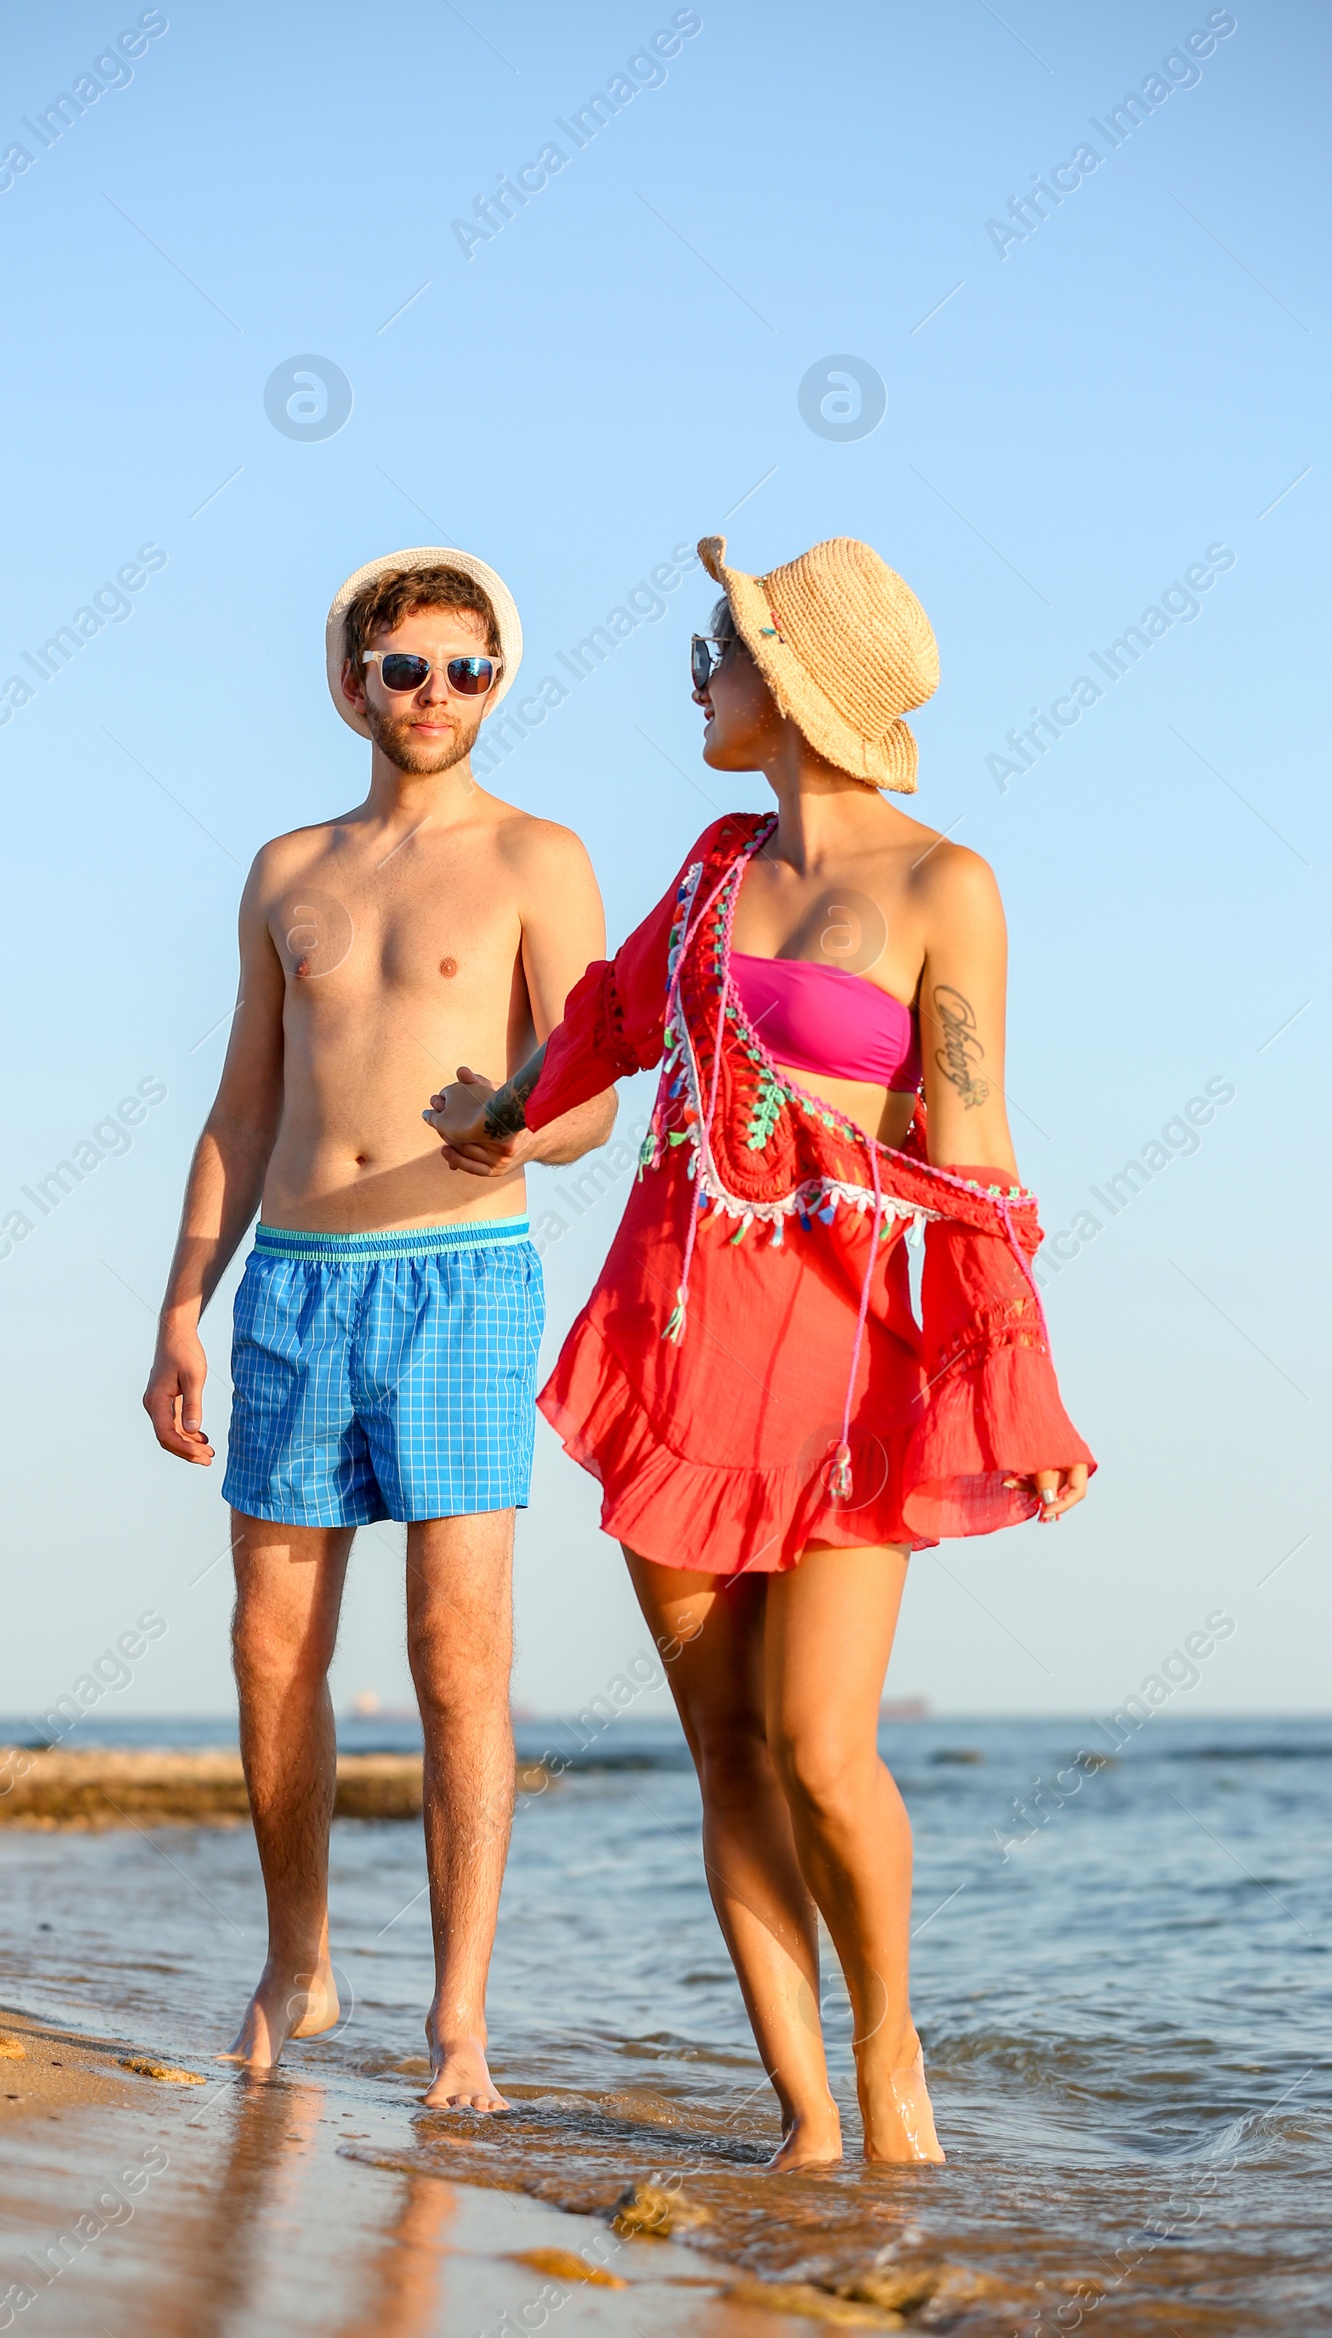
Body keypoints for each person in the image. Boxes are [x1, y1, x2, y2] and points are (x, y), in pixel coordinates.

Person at [424, 534, 1095, 2164]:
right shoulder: (720, 868)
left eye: (718, 648)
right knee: (727, 1751)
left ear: (790, 685)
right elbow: (603, 1015)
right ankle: (804, 2122)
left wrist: (1027, 1372)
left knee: (821, 1744)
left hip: (861, 1364)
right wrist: (503, 1119)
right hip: (687, 1342)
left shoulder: (949, 887)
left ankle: (885, 2051)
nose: (698, 673)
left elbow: (976, 1140)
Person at [143, 547, 615, 2103]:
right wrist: (178, 1309)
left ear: (499, 680)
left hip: (461, 1277)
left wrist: (520, 1135)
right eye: (404, 668)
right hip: (290, 1282)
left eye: (465, 669)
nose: (433, 696)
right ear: (352, 682)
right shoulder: (289, 870)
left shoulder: (541, 858)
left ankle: (462, 2019)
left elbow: (594, 1099)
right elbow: (241, 1101)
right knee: (271, 1648)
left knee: (454, 1654)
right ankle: (300, 1961)